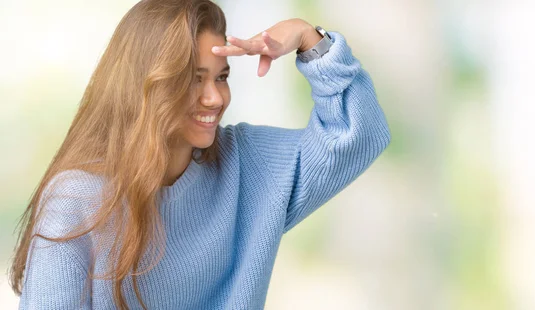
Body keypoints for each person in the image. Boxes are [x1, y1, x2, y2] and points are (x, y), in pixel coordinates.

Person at [9, 0, 391, 309]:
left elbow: (359, 136)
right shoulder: (77, 200)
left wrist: (310, 40)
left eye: (221, 77)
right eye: (193, 79)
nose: (215, 98)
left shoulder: (247, 164)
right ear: (146, 84)